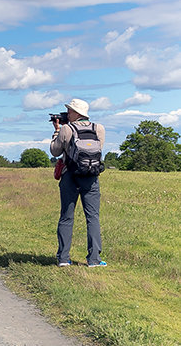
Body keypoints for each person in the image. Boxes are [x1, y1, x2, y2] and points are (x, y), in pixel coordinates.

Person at [50, 98, 106, 268]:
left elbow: (55, 150)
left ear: (77, 113)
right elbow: (98, 149)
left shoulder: (67, 128)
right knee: (93, 217)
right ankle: (94, 259)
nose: (67, 113)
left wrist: (57, 131)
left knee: (67, 216)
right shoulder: (99, 128)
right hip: (91, 175)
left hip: (70, 175)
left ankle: (63, 258)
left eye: (70, 111)